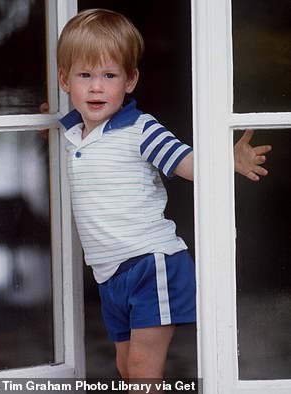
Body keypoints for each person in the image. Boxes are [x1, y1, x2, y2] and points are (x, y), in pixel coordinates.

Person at [56, 8, 271, 380]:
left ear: (130, 80)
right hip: (109, 273)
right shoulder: (74, 131)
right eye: (85, 75)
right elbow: (67, 128)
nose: (96, 87)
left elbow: (189, 165)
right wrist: (46, 117)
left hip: (150, 263)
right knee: (126, 369)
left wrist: (227, 159)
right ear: (65, 80)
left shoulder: (141, 130)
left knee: (141, 369)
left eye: (109, 75)